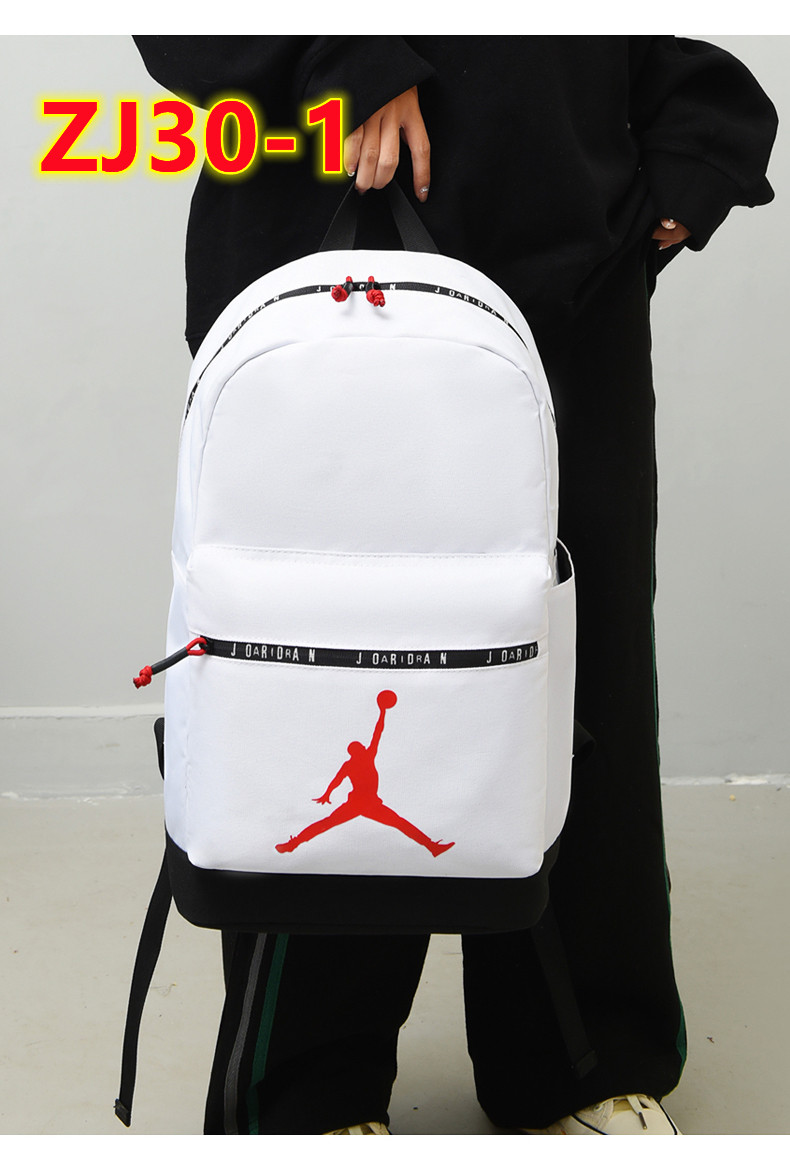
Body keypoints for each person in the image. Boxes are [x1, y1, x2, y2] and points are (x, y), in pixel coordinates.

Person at [133, 35, 777, 1135]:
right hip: (331, 273)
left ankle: (579, 1061)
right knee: (328, 667)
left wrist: (691, 130)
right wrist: (341, 52)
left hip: (570, 275)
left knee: (578, 672)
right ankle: (311, 1093)